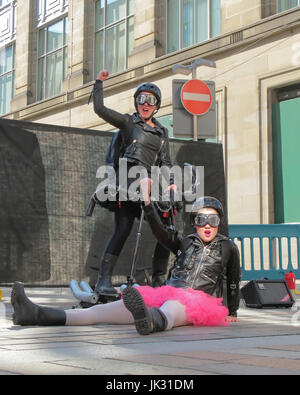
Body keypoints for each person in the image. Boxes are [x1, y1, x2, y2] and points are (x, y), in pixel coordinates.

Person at [10, 190, 240, 335]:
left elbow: (232, 279)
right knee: (101, 311)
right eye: (201, 219)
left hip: (197, 302)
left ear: (219, 222)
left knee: (170, 311)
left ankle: (150, 321)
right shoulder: (185, 242)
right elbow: (161, 233)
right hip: (168, 293)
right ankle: (35, 314)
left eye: (213, 219)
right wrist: (148, 205)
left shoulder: (228, 246)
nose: (207, 224)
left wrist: (232, 310)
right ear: (195, 222)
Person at [90, 70, 177, 295]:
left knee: (165, 230)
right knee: (123, 228)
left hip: (148, 185)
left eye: (150, 100)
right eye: (141, 99)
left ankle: (159, 281)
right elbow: (100, 109)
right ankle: (103, 280)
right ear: (136, 102)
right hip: (127, 181)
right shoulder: (128, 123)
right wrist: (99, 83)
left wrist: (172, 183)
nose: (145, 104)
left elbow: (165, 162)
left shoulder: (162, 132)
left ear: (157, 105)